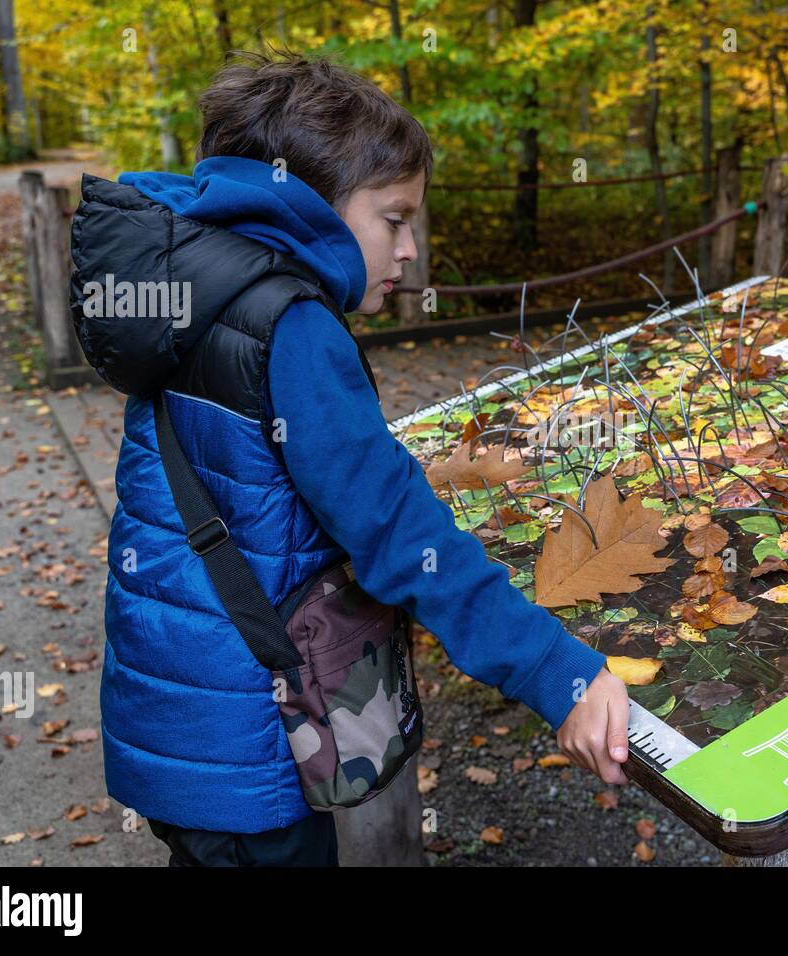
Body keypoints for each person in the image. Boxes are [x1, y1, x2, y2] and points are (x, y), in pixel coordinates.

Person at [69, 49, 629, 866]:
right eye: (394, 219)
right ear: (308, 205)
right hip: (251, 741)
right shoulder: (292, 327)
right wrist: (559, 672)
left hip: (178, 725)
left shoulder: (198, 294)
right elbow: (399, 534)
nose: (409, 250)